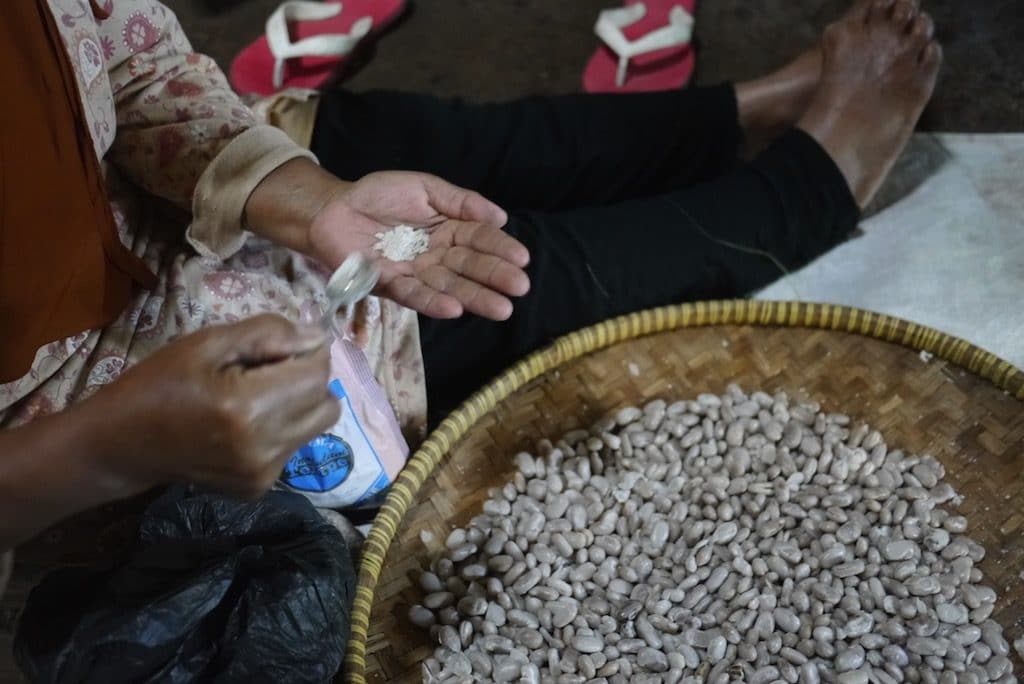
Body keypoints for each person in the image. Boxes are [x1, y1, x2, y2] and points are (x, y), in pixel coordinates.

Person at [0, 0, 940, 598]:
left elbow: (135, 65)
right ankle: (815, 185)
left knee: (420, 141)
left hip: (138, 198)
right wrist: (106, 446)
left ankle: (738, 113)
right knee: (534, 279)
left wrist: (312, 201)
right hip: (104, 395)